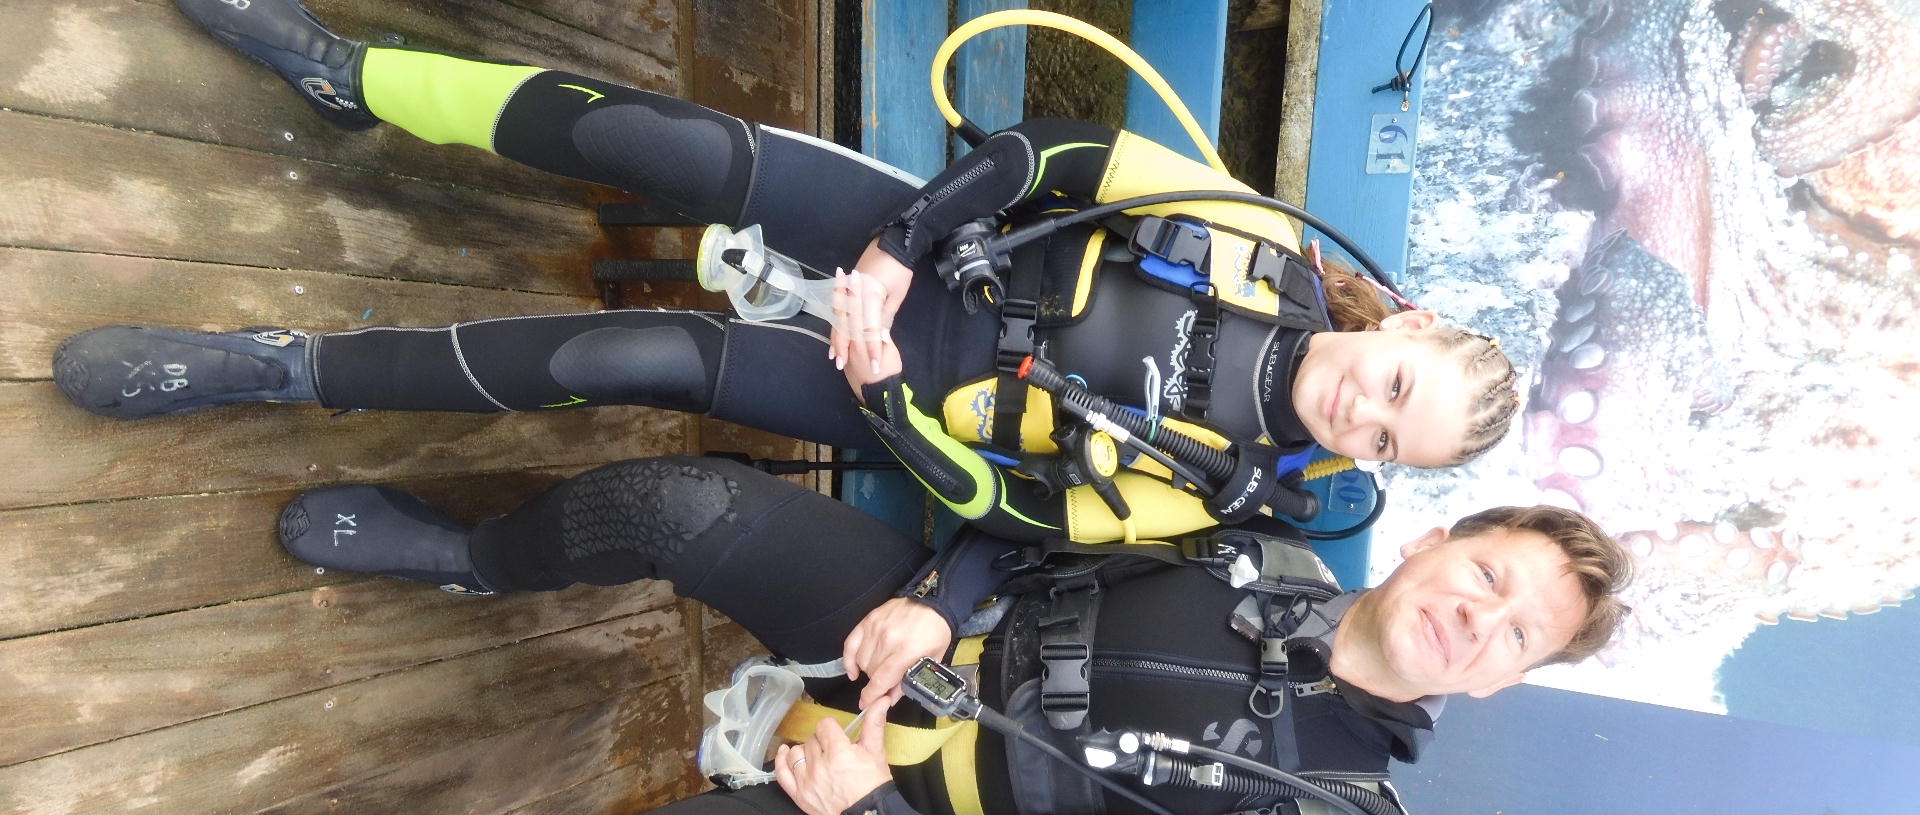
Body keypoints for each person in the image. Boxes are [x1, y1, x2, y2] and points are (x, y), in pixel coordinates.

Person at [118, 452, 1632, 815]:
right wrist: (937, 599)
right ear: (1439, 539)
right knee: (678, 504)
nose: (1479, 615)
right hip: (903, 634)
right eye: (1490, 574)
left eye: (1518, 635)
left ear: (1502, 684)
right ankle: (470, 556)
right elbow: (1025, 524)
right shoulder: (1257, 546)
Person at [54, 0, 1522, 545]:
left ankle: (274, 370)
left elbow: (1007, 509)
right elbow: (1054, 155)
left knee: (621, 361)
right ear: (1409, 322)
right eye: (1401, 387)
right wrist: (897, 245)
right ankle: (344, 70)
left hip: (893, 389)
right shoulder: (1255, 237)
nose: (1365, 417)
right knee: (651, 140)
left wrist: (883, 396)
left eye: (1392, 446)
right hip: (923, 238)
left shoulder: (1209, 491)